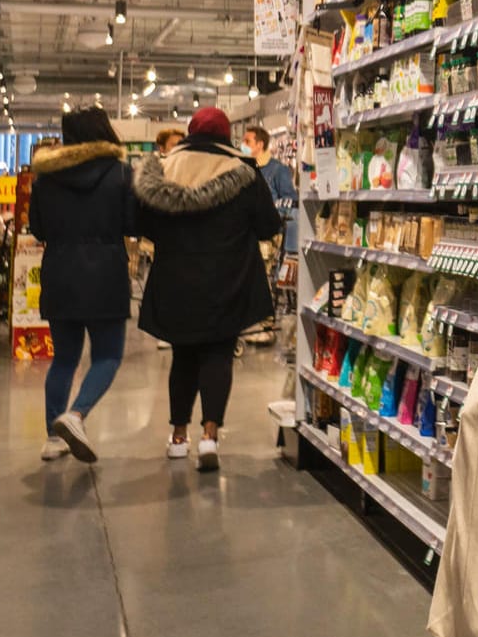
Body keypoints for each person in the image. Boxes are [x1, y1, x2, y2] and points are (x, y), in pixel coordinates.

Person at [133, 106, 281, 471]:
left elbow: (144, 224)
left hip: (175, 279)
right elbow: (268, 225)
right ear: (226, 135)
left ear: (190, 132)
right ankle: (210, 436)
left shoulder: (164, 169)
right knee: (218, 353)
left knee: (183, 356)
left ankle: (179, 437)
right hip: (227, 280)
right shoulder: (244, 172)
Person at [28, 107, 134, 464]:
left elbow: (38, 229)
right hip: (106, 273)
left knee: (64, 359)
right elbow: (132, 223)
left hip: (59, 273)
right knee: (107, 356)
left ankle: (52, 439)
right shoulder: (120, 173)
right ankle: (75, 415)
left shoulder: (44, 178)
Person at [243, 125, 296, 253]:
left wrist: (274, 216)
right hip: (249, 236)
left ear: (260, 144)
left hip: (269, 241)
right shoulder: (245, 168)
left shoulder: (278, 170)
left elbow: (290, 201)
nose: (243, 145)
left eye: (247, 141)